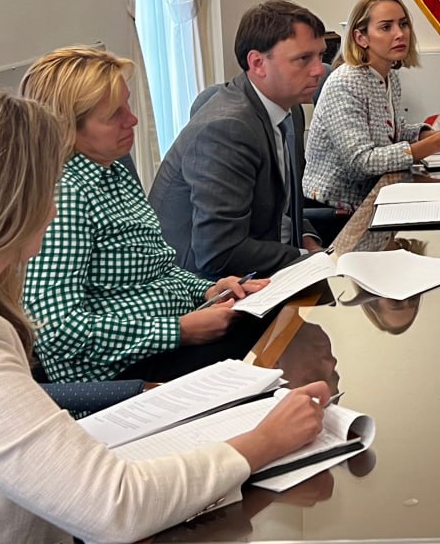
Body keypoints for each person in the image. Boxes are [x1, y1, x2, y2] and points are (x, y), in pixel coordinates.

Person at [0, 84, 328, 542]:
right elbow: (115, 506)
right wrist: (264, 441)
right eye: (49, 184)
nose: (54, 204)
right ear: (13, 201)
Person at [20, 47, 274, 385]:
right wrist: (178, 331)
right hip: (120, 374)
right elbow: (55, 330)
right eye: (114, 115)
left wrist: (209, 290)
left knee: (272, 318)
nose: (132, 120)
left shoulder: (113, 171)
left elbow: (158, 268)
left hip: (166, 339)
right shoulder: (64, 195)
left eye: (127, 105)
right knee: (270, 344)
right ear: (67, 128)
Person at [151, 0, 327, 279]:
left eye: (320, 55)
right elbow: (220, 253)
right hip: (209, 288)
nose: (319, 69)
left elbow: (281, 206)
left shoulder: (291, 110)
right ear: (258, 63)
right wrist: (306, 259)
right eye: (304, 59)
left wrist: (311, 244)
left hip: (270, 266)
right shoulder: (226, 129)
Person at [303, 0, 440, 218]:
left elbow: (394, 132)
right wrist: (435, 144)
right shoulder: (345, 83)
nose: (400, 34)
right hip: (339, 209)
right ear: (361, 38)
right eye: (386, 27)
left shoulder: (389, 75)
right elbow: (362, 162)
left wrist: (436, 135)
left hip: (379, 194)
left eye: (403, 24)